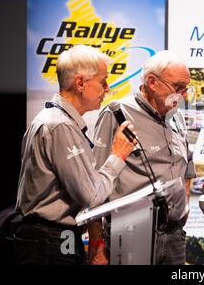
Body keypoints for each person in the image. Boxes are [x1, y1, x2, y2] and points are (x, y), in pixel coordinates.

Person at [14, 45, 136, 264]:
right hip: (50, 242)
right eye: (103, 81)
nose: (107, 88)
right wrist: (118, 155)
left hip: (50, 239)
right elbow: (91, 197)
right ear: (80, 83)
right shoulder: (59, 126)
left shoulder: (55, 120)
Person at [89, 50, 195, 265]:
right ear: (152, 82)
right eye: (178, 87)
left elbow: (187, 167)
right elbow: (93, 185)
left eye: (187, 88)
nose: (184, 95)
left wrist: (184, 206)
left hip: (174, 235)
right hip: (130, 232)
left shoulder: (177, 117)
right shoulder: (117, 114)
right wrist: (97, 245)